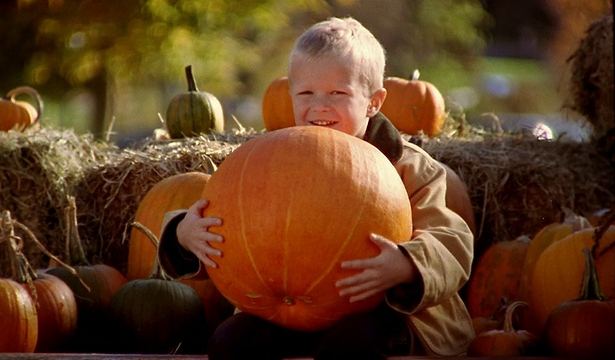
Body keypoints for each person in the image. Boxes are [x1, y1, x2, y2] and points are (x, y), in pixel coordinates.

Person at [158, 16, 475, 359]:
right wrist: (185, 235)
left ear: (375, 102)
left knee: (353, 345)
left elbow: (453, 241)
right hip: (286, 311)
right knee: (231, 340)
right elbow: (239, 233)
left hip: (384, 314)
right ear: (290, 94)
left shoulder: (409, 167)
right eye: (306, 93)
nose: (319, 106)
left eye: (338, 93)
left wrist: (407, 264)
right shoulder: (271, 161)